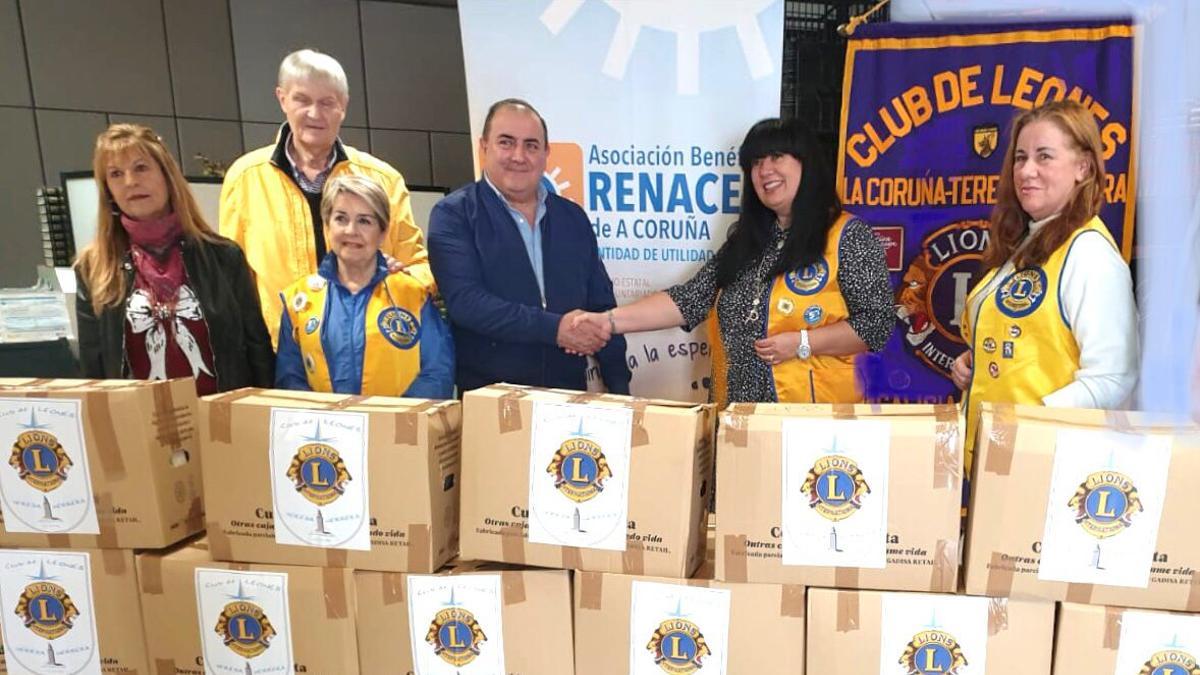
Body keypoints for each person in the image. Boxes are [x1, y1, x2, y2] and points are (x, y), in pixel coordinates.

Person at [574, 117, 893, 404]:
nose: (764, 170)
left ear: (806, 164)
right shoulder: (747, 241)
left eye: (776, 156)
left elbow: (876, 325)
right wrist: (607, 321)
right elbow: (688, 300)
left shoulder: (848, 235)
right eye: (755, 162)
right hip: (736, 419)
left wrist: (802, 342)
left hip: (810, 423)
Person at [952, 99, 1138, 470]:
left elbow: (1114, 378)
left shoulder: (1089, 256)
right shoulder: (1026, 243)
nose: (1026, 171)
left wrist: (1029, 423)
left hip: (1044, 466)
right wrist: (974, 363)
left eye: (1044, 157)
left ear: (1083, 167)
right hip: (996, 460)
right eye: (1020, 158)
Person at [219, 48, 432, 346]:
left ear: (343, 106)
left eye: (327, 103)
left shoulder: (384, 179)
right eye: (302, 100)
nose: (315, 114)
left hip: (372, 352)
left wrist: (400, 275)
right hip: (281, 356)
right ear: (282, 99)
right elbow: (232, 283)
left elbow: (421, 269)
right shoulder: (245, 178)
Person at [427, 98, 630, 394]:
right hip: (491, 400)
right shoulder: (453, 215)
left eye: (531, 145)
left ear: (546, 153)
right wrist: (555, 330)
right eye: (506, 143)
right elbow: (467, 303)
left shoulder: (572, 218)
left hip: (568, 398)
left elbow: (601, 307)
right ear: (484, 147)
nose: (519, 156)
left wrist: (620, 387)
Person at [75, 124, 274, 393]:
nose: (130, 181)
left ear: (166, 175)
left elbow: (257, 353)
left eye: (141, 168)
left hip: (221, 424)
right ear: (107, 189)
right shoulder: (94, 268)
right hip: (137, 428)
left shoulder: (224, 257)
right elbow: (94, 373)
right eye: (116, 174)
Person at [275, 175, 453, 398]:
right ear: (327, 226)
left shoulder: (414, 295)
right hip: (324, 430)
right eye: (341, 218)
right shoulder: (299, 301)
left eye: (364, 221)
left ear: (383, 233)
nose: (351, 231)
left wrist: (395, 423)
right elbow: (289, 379)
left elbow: (437, 374)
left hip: (398, 429)